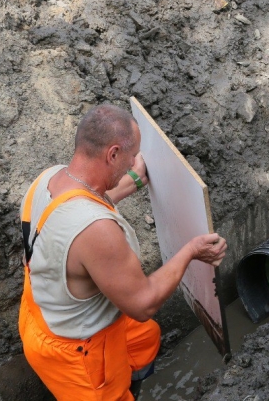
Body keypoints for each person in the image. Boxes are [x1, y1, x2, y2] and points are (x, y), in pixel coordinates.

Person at [17, 103, 227, 401]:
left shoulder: (49, 179)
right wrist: (191, 249)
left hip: (41, 307)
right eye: (131, 157)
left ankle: (134, 383)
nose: (133, 163)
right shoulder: (97, 231)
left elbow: (84, 200)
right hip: (75, 352)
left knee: (144, 338)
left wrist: (134, 181)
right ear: (112, 154)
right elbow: (142, 304)